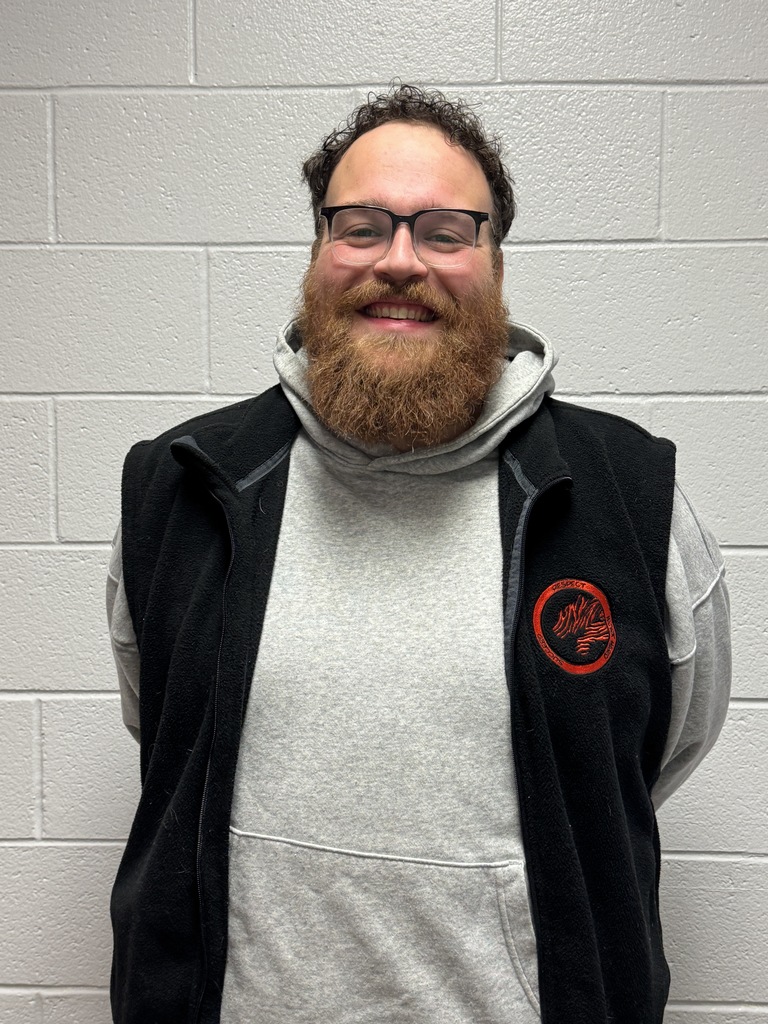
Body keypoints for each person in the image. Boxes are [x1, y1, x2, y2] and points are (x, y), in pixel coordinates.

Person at [107, 84, 731, 1024]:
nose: (400, 260)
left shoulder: (631, 502)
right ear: (317, 251)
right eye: (361, 225)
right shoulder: (183, 489)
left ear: (495, 261)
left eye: (445, 231)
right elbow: (165, 731)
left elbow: (642, 763)